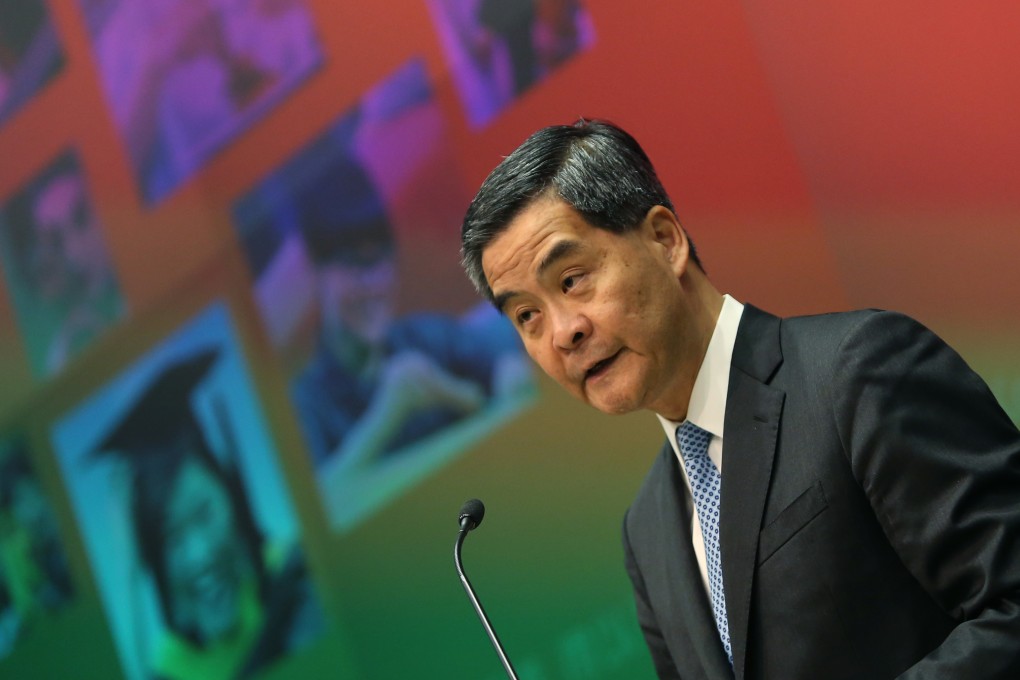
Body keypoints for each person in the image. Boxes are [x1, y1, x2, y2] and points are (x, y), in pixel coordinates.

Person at [460, 119, 1020, 679]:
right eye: (526, 316)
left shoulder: (857, 371)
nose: (562, 332)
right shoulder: (650, 529)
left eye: (572, 278)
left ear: (665, 240)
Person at [95, 350, 321, 680]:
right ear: (152, 558)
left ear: (233, 499)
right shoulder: (170, 669)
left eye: (204, 514)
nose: (200, 555)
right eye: (171, 538)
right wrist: (128, 574)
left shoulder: (299, 583)